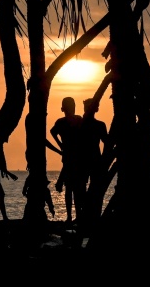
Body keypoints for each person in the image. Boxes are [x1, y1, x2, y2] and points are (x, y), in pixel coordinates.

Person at [50, 97, 84, 223]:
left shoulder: (77, 119)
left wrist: (61, 145)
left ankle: (75, 215)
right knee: (72, 189)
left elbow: (52, 132)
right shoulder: (67, 121)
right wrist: (61, 145)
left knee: (74, 189)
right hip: (72, 156)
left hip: (76, 156)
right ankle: (72, 216)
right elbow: (52, 132)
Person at [79, 98, 108, 226]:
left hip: (90, 160)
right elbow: (107, 142)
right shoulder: (84, 124)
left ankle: (89, 216)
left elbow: (107, 141)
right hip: (90, 160)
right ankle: (87, 216)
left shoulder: (95, 125)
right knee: (86, 189)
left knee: (89, 189)